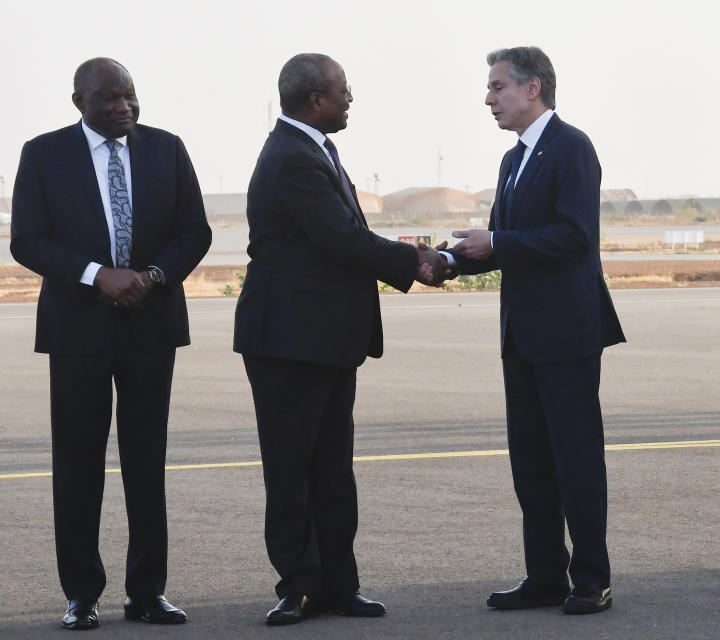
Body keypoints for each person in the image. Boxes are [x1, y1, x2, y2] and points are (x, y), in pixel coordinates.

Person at [233, 53, 447, 626]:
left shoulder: (312, 149)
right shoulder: (291, 157)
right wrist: (417, 262)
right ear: (315, 99)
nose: (350, 99)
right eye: (343, 90)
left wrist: (413, 258)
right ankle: (299, 585)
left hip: (324, 339)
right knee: (292, 470)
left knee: (331, 468)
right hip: (286, 341)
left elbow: (346, 236)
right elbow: (341, 237)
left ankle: (337, 583)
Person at [10, 58, 211, 629]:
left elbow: (195, 231)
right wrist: (96, 273)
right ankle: (81, 594)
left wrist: (152, 276)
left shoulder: (167, 149)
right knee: (77, 464)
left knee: (146, 462)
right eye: (109, 99)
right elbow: (27, 239)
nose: (123, 107)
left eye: (130, 97)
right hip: (78, 331)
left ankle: (147, 592)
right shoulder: (43, 154)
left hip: (152, 326)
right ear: (79, 102)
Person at [447, 46, 625, 615]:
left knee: (575, 459)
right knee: (531, 463)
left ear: (533, 88)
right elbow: (504, 242)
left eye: (498, 87)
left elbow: (574, 236)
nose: (488, 98)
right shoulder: (512, 159)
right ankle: (545, 574)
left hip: (566, 333)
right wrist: (447, 262)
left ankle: (591, 577)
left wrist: (495, 242)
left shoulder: (571, 148)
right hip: (521, 334)